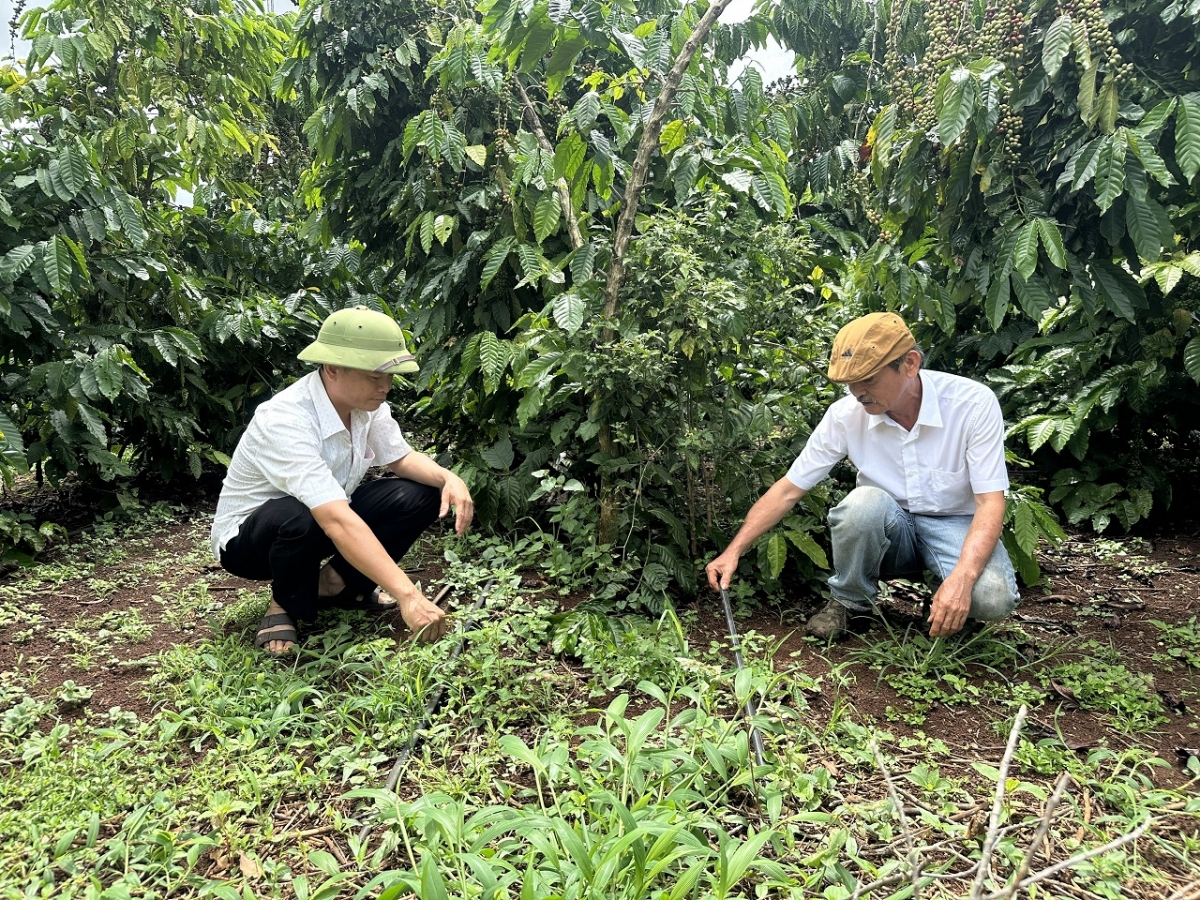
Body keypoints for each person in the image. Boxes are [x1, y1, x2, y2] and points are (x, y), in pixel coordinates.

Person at [705, 312, 1018, 641]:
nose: (857, 392)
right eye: (850, 382)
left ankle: (949, 598)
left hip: (954, 524)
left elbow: (989, 502)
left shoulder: (971, 404)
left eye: (868, 379)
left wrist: (963, 579)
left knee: (991, 596)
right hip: (887, 526)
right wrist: (734, 550)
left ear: (910, 364)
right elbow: (788, 490)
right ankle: (850, 603)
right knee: (862, 505)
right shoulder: (845, 415)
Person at [210, 306, 474, 653]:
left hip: (324, 522)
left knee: (420, 493)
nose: (385, 386)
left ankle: (336, 584)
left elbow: (401, 458)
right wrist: (408, 595)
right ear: (332, 368)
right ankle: (284, 604)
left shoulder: (367, 406)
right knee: (298, 514)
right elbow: (333, 518)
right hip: (254, 543)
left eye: (390, 376)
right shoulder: (285, 419)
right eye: (374, 376)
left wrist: (448, 478)